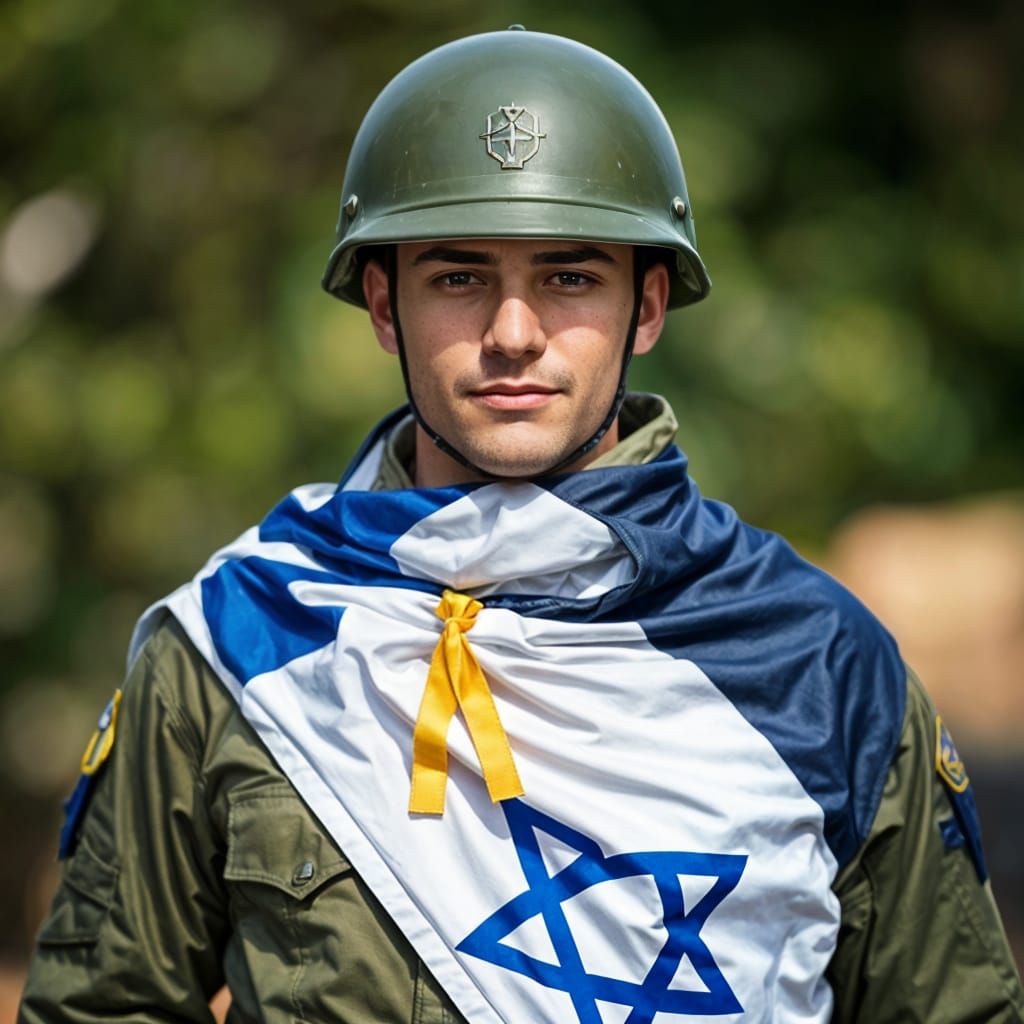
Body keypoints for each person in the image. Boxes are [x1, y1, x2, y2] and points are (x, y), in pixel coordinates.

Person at [19, 26, 1024, 1024]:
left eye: (568, 278)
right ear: (382, 304)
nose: (512, 332)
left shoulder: (820, 662)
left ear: (647, 306)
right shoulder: (234, 641)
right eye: (458, 279)